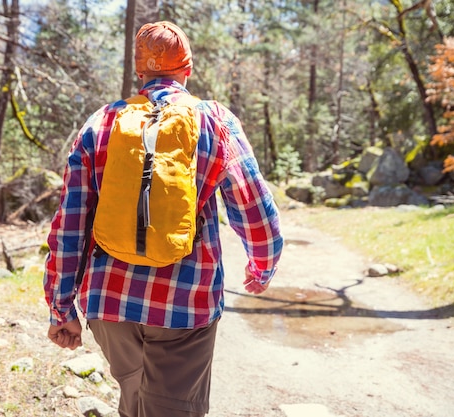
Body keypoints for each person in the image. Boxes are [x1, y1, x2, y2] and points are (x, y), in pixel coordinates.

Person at [43, 21, 283, 417]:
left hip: (108, 305)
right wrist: (262, 266)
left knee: (136, 399)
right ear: (186, 70)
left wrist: (61, 308)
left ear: (140, 72)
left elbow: (69, 226)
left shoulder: (101, 123)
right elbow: (255, 209)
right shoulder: (215, 121)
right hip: (185, 307)